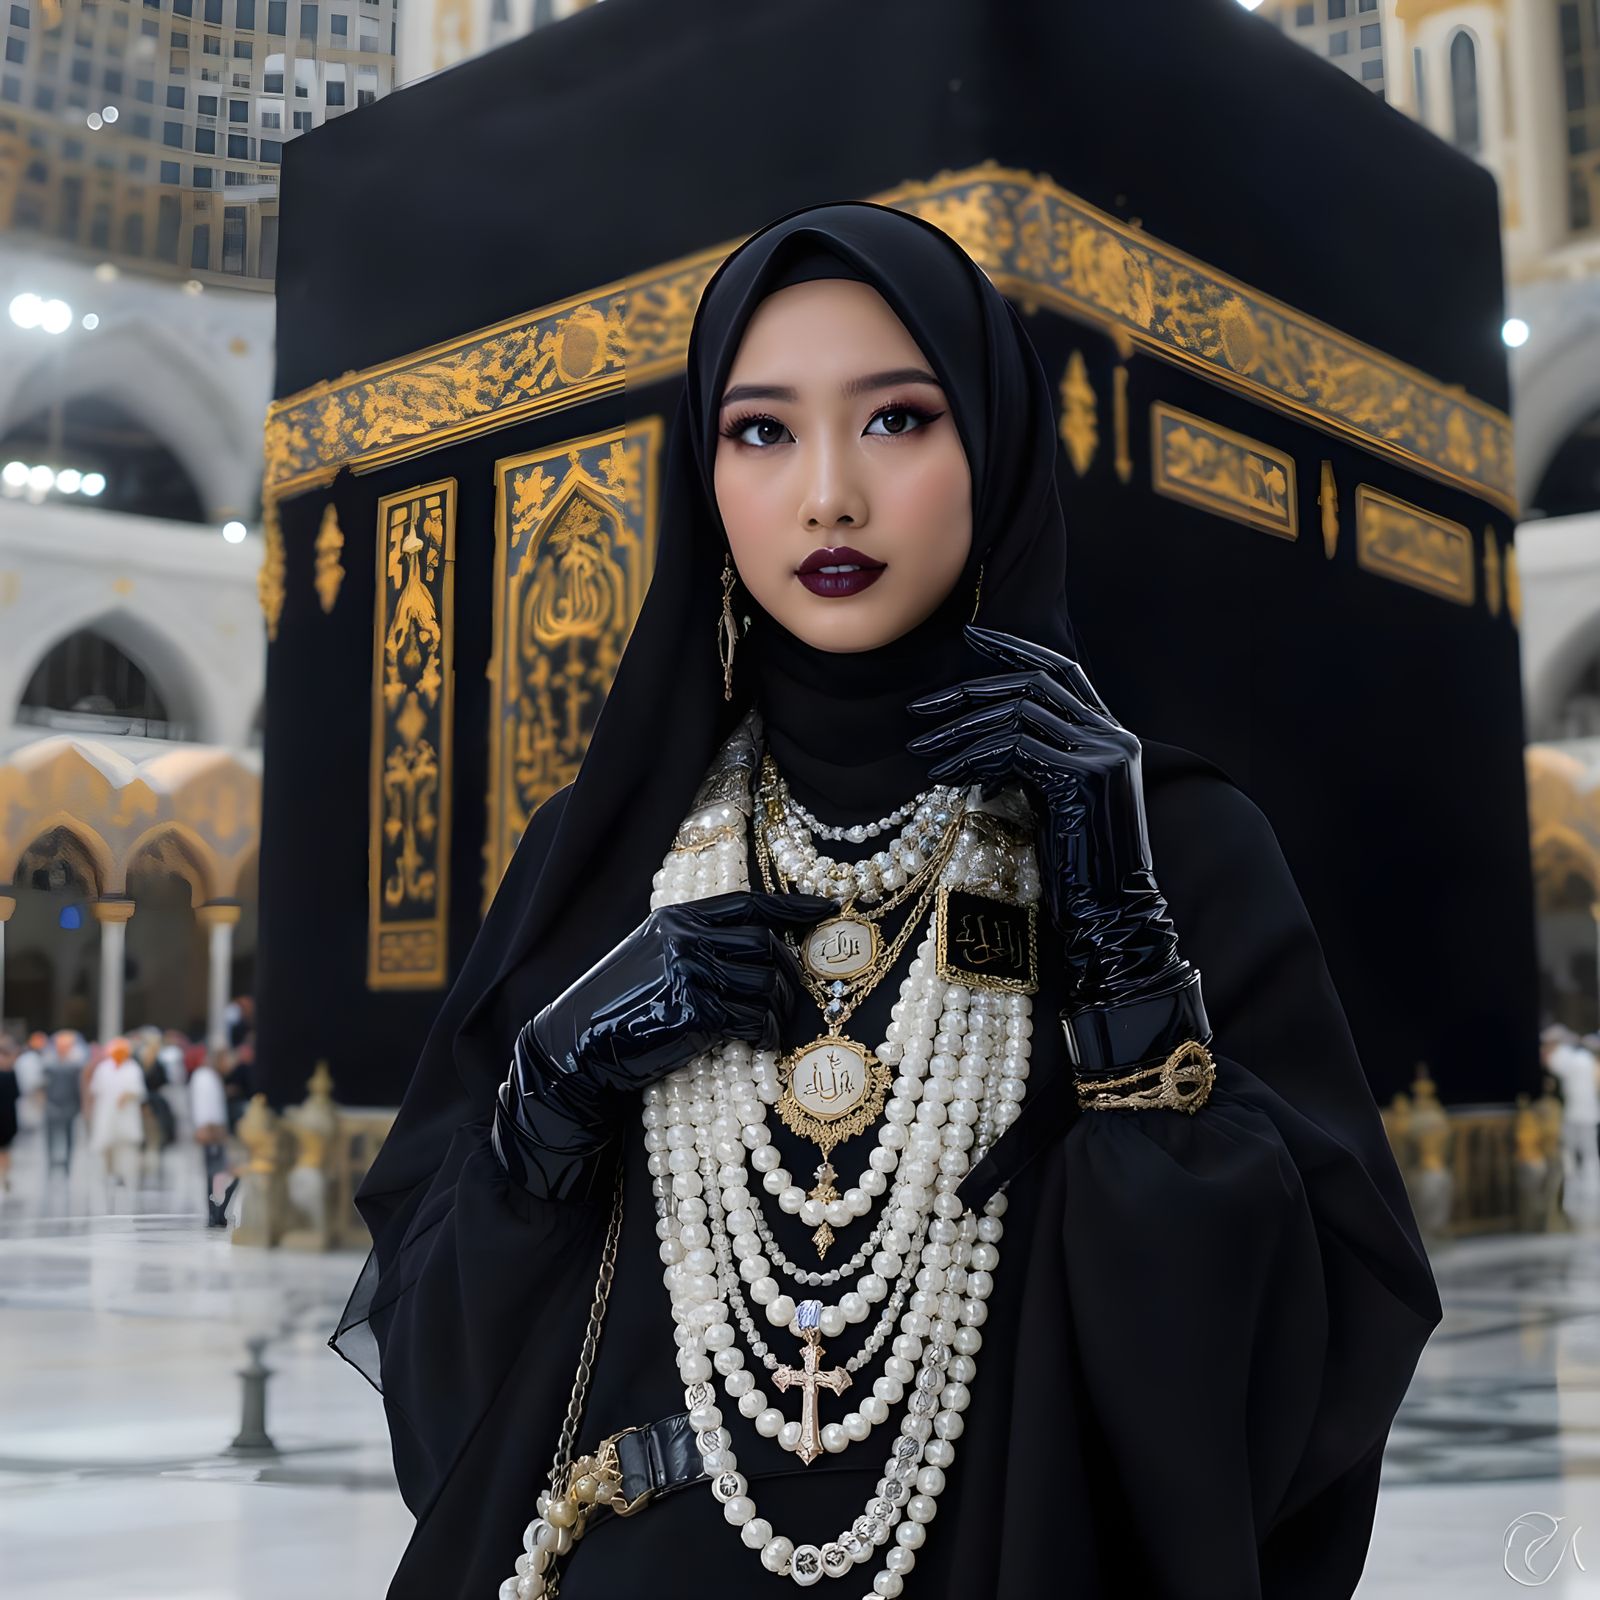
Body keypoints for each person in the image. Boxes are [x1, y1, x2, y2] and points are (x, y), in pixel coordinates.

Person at [333, 203, 1442, 1600]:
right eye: (762, 431)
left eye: (899, 420)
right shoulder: (606, 855)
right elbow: (446, 1388)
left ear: (996, 444)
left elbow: (1289, 1377)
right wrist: (551, 1095)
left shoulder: (1174, 842)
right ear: (702, 471)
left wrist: (1114, 935)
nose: (828, 496)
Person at [1540, 1024, 1599, 1212]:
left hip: (1576, 1113)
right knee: (1586, 1153)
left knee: (1573, 1153)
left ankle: (1578, 1188)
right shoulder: (1585, 1059)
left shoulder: (1567, 1058)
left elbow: (1550, 1063)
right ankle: (1587, 1187)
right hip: (1585, 1112)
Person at [87, 1036, 146, 1192]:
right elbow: (95, 1089)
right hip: (106, 1113)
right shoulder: (103, 1068)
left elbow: (139, 1090)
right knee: (107, 1145)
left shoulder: (133, 1068)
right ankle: (108, 1174)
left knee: (124, 1147)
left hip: (125, 1114)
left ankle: (122, 1175)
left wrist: (127, 1095)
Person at [189, 1049, 233, 1227]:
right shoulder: (203, 1077)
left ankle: (218, 1212)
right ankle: (214, 1213)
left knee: (217, 1174)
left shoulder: (212, 1077)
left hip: (215, 1131)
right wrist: (205, 1128)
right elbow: (203, 1105)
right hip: (210, 1131)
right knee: (213, 1173)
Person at [42, 1031, 86, 1175]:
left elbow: (79, 1087)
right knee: (51, 1136)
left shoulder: (75, 1065)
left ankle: (67, 1163)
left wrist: (80, 1105)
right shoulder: (49, 1063)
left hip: (70, 1105)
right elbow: (43, 1086)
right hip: (52, 1104)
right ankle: (50, 1162)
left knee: (69, 1136)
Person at [0, 1033, 19, 1194]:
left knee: (5, 1150)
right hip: (8, 1116)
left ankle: (4, 1176)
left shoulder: (11, 1073)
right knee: (5, 1150)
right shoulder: (11, 1073)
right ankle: (4, 1176)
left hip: (7, 1117)